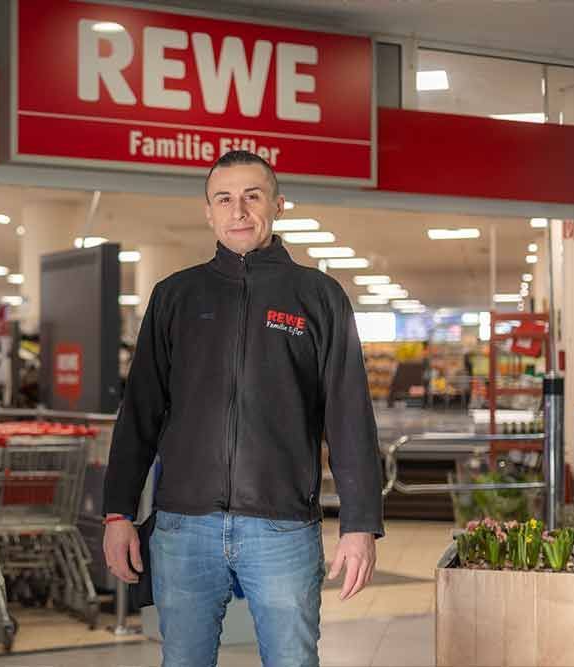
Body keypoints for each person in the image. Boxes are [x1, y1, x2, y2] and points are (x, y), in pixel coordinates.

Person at [102, 150, 385, 667]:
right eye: (224, 199)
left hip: (282, 528)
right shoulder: (175, 297)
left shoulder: (318, 297)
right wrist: (119, 511)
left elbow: (349, 417)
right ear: (208, 211)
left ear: (277, 204)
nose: (239, 211)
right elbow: (139, 411)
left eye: (252, 197)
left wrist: (360, 522)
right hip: (184, 527)